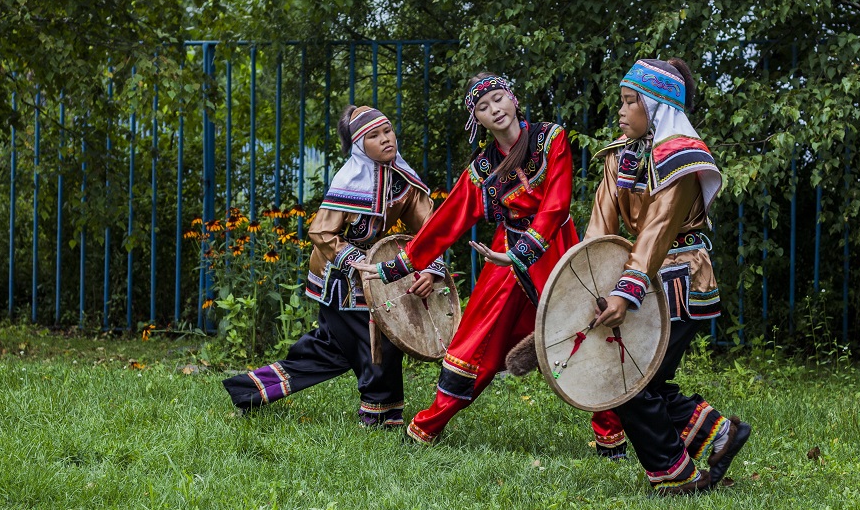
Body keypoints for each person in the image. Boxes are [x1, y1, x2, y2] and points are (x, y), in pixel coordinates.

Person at [357, 73, 619, 446]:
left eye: (498, 99)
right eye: (483, 107)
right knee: (477, 340)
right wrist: (395, 266)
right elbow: (447, 221)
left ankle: (611, 434)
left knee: (582, 331)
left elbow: (557, 204)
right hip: (504, 256)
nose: (494, 109)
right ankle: (426, 426)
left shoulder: (551, 138)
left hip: (556, 249)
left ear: (512, 98)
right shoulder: (482, 170)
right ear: (476, 120)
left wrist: (521, 252)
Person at [583, 58, 751, 495]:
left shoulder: (682, 159)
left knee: (633, 381)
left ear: (656, 106)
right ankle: (715, 434)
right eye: (620, 101)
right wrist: (587, 280)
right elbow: (601, 226)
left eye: (630, 101)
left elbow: (656, 232)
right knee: (640, 379)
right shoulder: (619, 155)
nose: (620, 111)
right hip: (640, 279)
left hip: (679, 279)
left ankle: (675, 472)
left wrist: (624, 292)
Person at [222, 105, 444, 425]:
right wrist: (355, 262)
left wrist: (429, 269)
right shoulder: (350, 180)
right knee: (377, 340)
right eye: (374, 135)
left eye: (388, 131)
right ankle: (381, 416)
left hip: (375, 273)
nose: (385, 139)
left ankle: (250, 388)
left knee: (332, 350)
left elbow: (431, 231)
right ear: (359, 146)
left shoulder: (402, 180)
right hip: (338, 275)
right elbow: (321, 231)